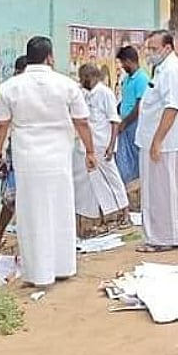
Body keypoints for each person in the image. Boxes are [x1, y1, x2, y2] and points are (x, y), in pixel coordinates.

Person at [0, 37, 96, 286]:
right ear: (50, 57)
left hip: (27, 159)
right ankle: (63, 266)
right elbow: (81, 122)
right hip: (59, 158)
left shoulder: (10, 88)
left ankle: (37, 273)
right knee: (61, 209)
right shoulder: (67, 85)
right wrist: (90, 151)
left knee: (31, 213)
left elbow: (1, 125)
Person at [134, 30, 178, 253]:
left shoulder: (171, 71)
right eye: (148, 48)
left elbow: (172, 107)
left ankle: (162, 238)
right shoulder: (163, 69)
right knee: (174, 190)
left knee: (161, 193)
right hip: (164, 141)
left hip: (165, 143)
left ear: (167, 48)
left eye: (154, 48)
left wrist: (157, 141)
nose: (149, 53)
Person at [73, 63, 130, 235]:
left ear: (91, 77)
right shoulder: (84, 93)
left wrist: (111, 146)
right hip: (88, 146)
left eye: (83, 78)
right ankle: (108, 217)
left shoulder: (105, 93)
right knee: (97, 184)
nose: (81, 81)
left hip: (103, 145)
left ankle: (125, 214)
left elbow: (114, 121)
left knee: (112, 179)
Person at [0, 56, 27, 250]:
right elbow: (1, 124)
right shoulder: (12, 90)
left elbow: (1, 124)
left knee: (16, 196)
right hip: (18, 149)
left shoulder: (15, 89)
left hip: (24, 149)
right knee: (11, 195)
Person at [114, 45, 148, 183]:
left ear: (129, 61)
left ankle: (135, 182)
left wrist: (125, 122)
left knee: (134, 155)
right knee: (124, 157)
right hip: (124, 122)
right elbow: (125, 100)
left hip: (134, 123)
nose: (122, 66)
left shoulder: (142, 79)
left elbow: (140, 105)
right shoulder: (127, 78)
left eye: (123, 62)